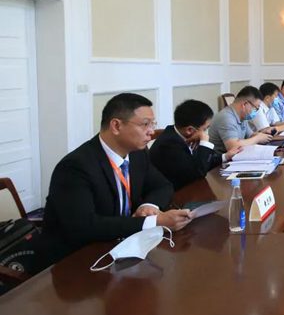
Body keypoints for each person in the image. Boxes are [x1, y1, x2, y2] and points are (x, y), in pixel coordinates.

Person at [42, 93, 191, 261]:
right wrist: (154, 222)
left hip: (123, 245)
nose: (151, 131)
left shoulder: (137, 154)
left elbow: (162, 185)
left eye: (152, 124)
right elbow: (84, 227)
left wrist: (148, 206)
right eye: (145, 124)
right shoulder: (75, 167)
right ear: (116, 126)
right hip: (77, 257)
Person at [149, 100, 242, 190]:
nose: (206, 133)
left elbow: (202, 162)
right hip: (175, 194)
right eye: (205, 129)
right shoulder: (169, 145)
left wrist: (225, 156)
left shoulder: (183, 135)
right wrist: (204, 142)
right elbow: (199, 173)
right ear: (190, 130)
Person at [208, 86, 273, 153]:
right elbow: (233, 147)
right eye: (256, 108)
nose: (256, 111)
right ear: (245, 104)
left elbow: (251, 135)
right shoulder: (226, 117)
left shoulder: (243, 116)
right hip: (220, 158)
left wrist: (264, 135)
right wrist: (258, 138)